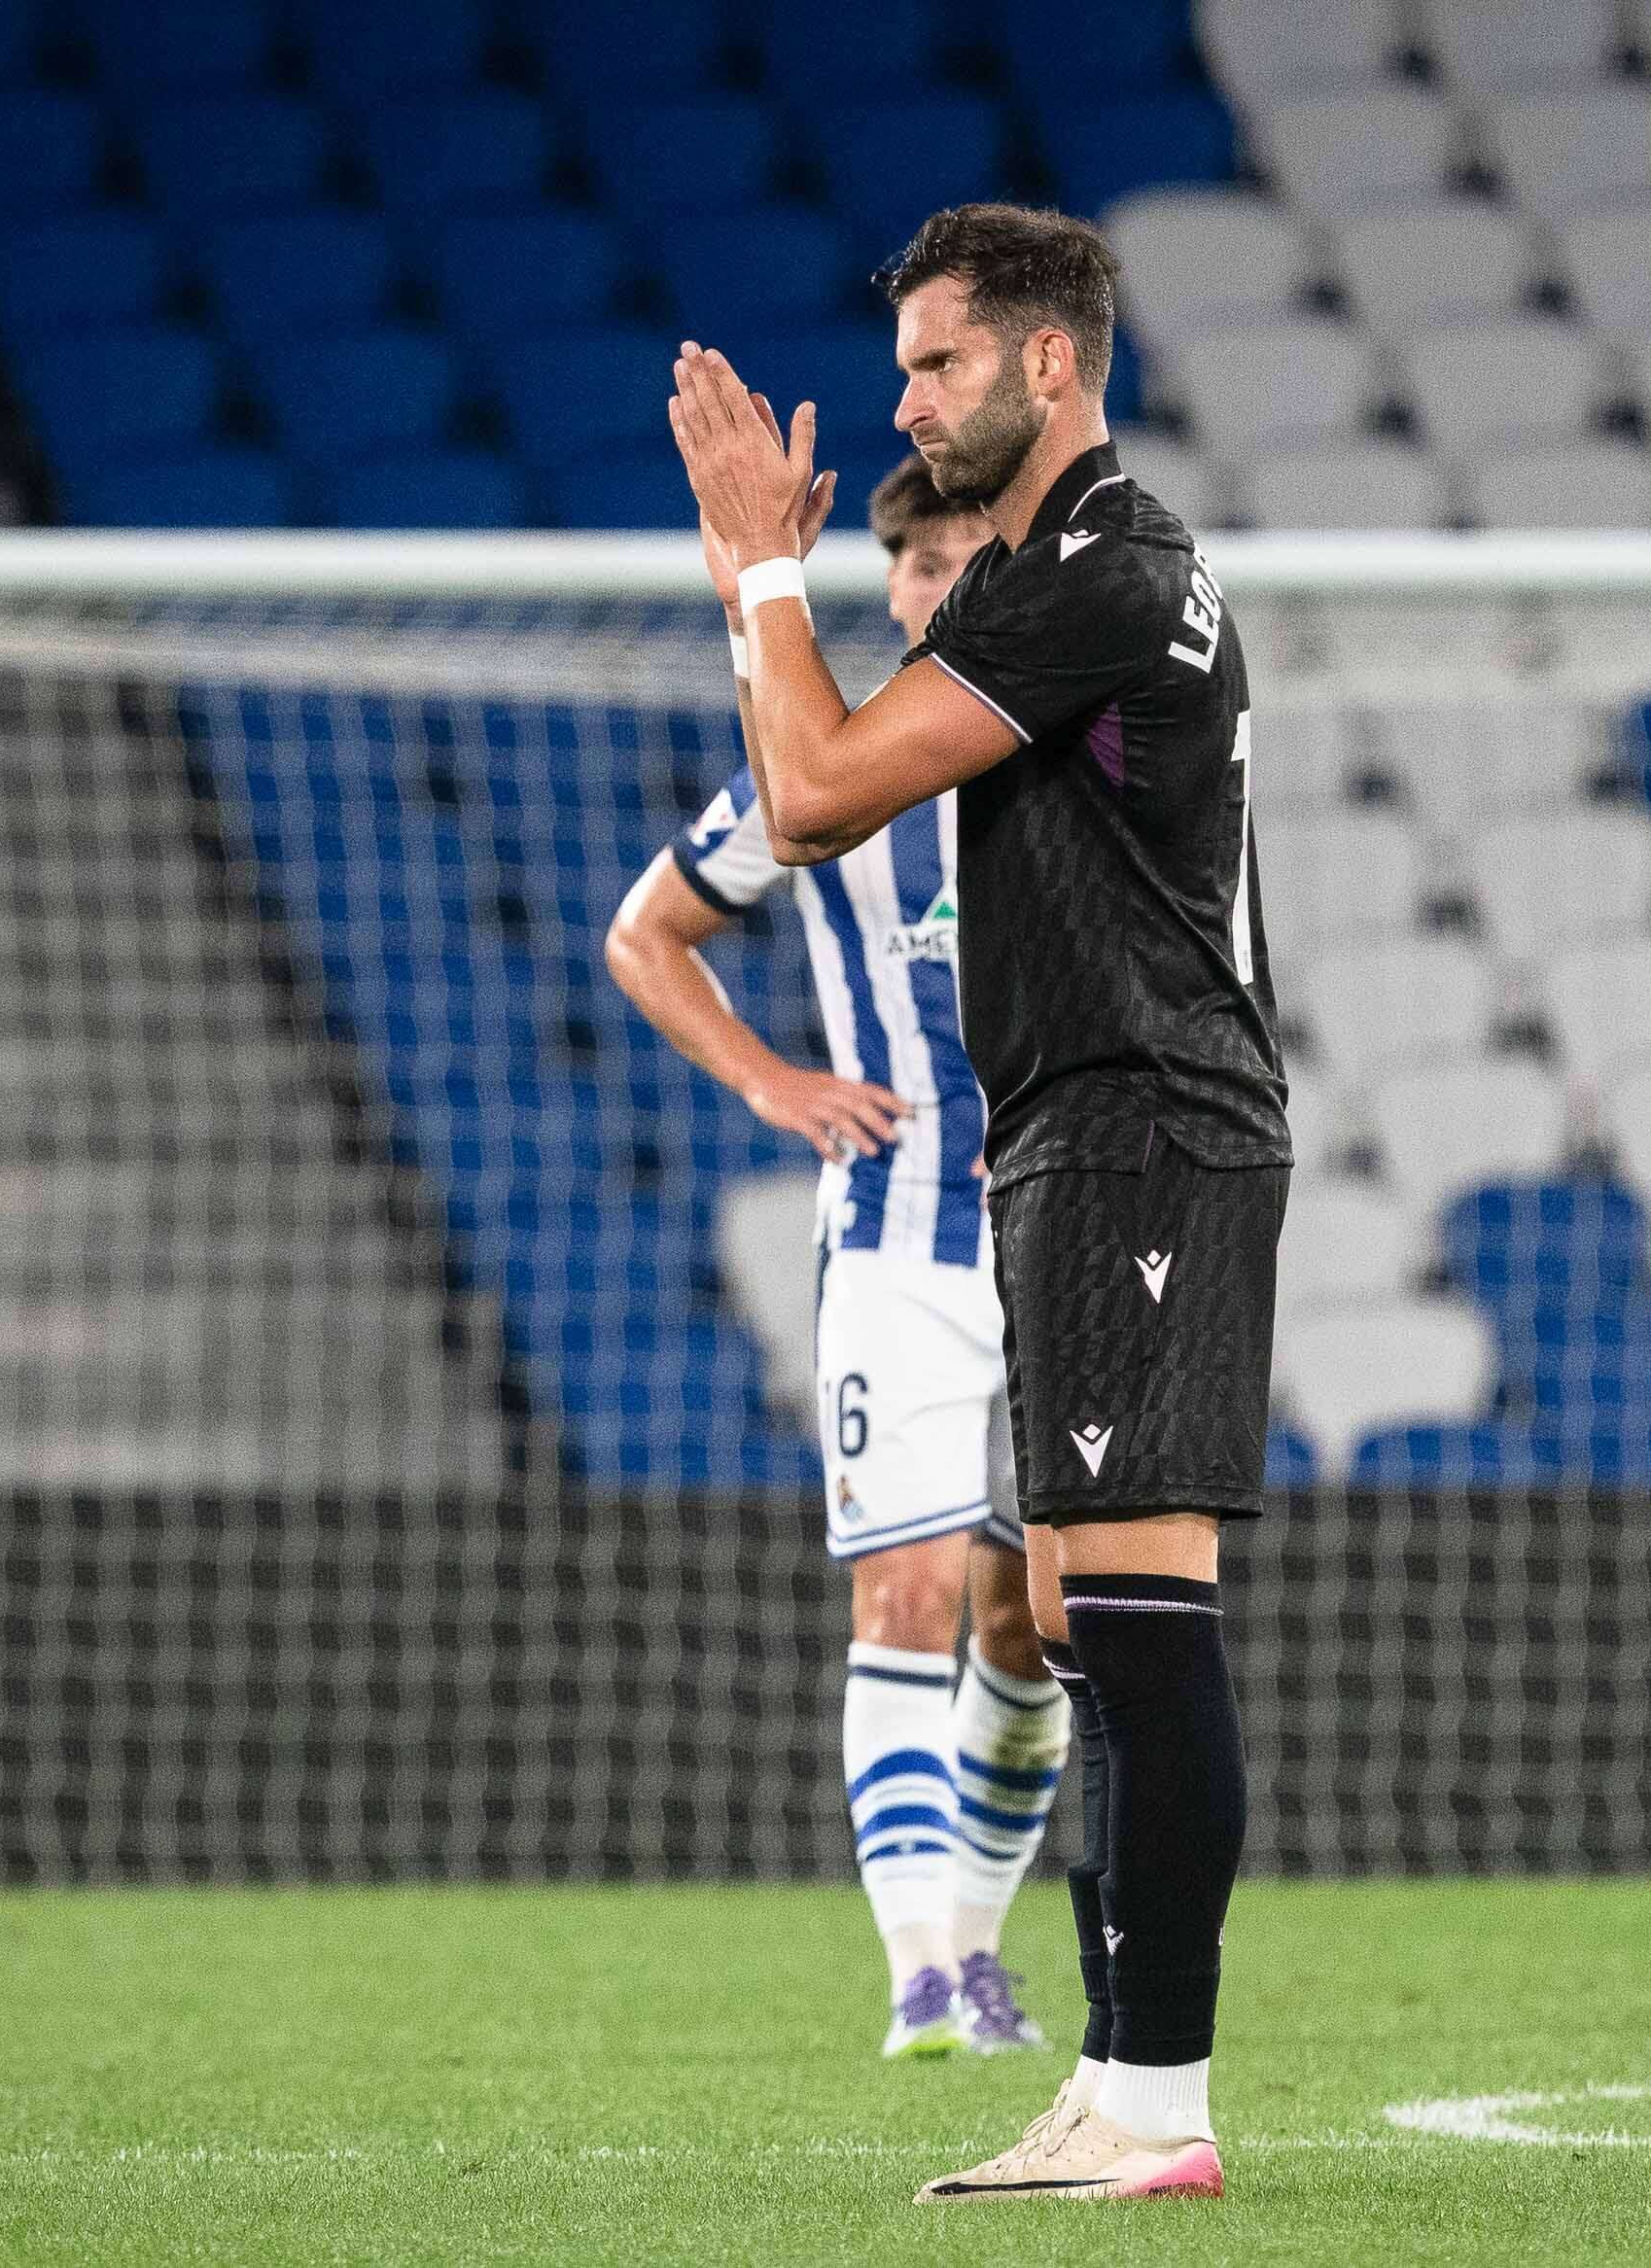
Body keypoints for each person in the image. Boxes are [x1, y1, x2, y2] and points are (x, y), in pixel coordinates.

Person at [665, 201, 1283, 2205]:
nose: (910, 403)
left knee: (1134, 1620)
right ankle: (1122, 2083)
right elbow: (814, 781)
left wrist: (764, 570)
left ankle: (1153, 2096)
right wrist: (765, 595)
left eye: (937, 365)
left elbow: (821, 786)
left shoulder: (1088, 575)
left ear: (1047, 361)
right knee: (1091, 1613)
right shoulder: (1077, 570)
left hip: (1133, 1122)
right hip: (1101, 1123)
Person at [604, 459, 1063, 2058]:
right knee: (910, 1587)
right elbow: (643, 930)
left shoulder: (1084, 761)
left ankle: (983, 1946)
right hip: (896, 1236)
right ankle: (925, 1976)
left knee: (1038, 1623)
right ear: (895, 588)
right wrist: (771, 1081)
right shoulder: (839, 776)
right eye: (918, 565)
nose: (943, 585)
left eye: (969, 557)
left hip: (1064, 1240)